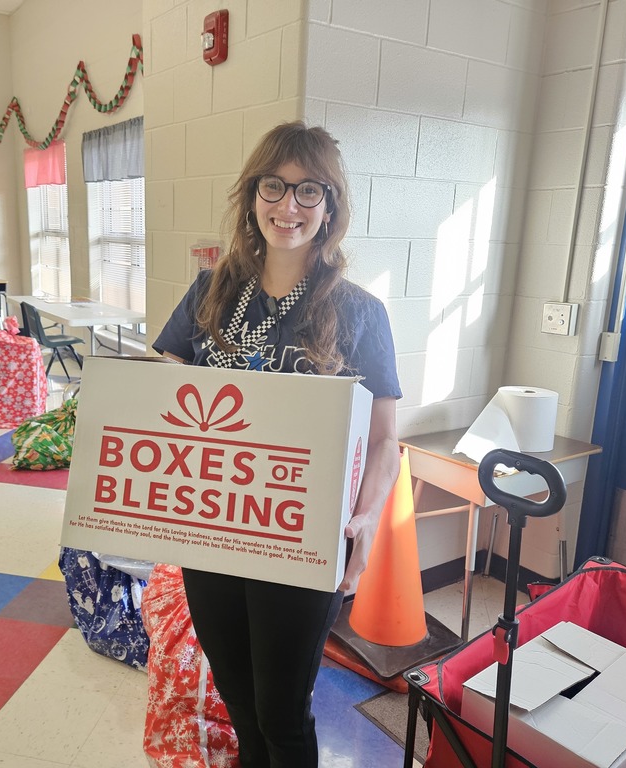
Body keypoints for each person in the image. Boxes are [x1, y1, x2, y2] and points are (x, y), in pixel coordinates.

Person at [153, 121, 402, 768]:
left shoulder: (359, 312)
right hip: (214, 530)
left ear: (330, 207)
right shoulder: (211, 294)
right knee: (238, 700)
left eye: (308, 190)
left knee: (282, 715)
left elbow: (384, 440)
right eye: (274, 186)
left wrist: (367, 518)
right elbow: (163, 405)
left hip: (301, 536)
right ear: (252, 195)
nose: (288, 206)